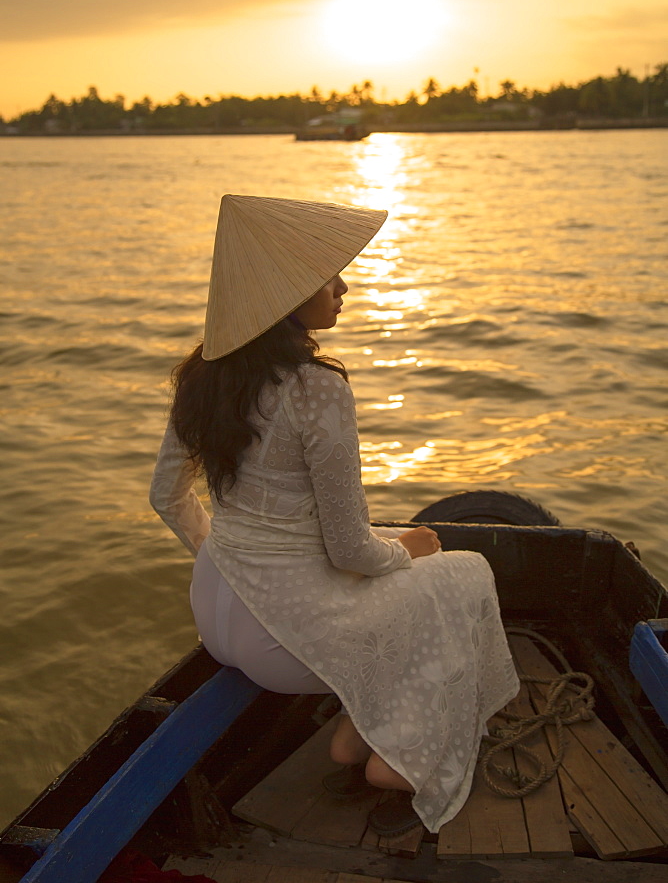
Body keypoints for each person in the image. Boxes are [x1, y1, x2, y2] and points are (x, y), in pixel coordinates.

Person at [150, 193, 519, 837]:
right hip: (282, 644)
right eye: (328, 277)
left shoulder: (200, 377)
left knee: (410, 574)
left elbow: (167, 496)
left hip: (215, 610)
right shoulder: (318, 388)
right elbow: (350, 551)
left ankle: (356, 733)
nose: (343, 286)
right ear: (289, 296)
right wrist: (411, 548)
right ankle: (396, 762)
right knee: (462, 575)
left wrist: (233, 561)